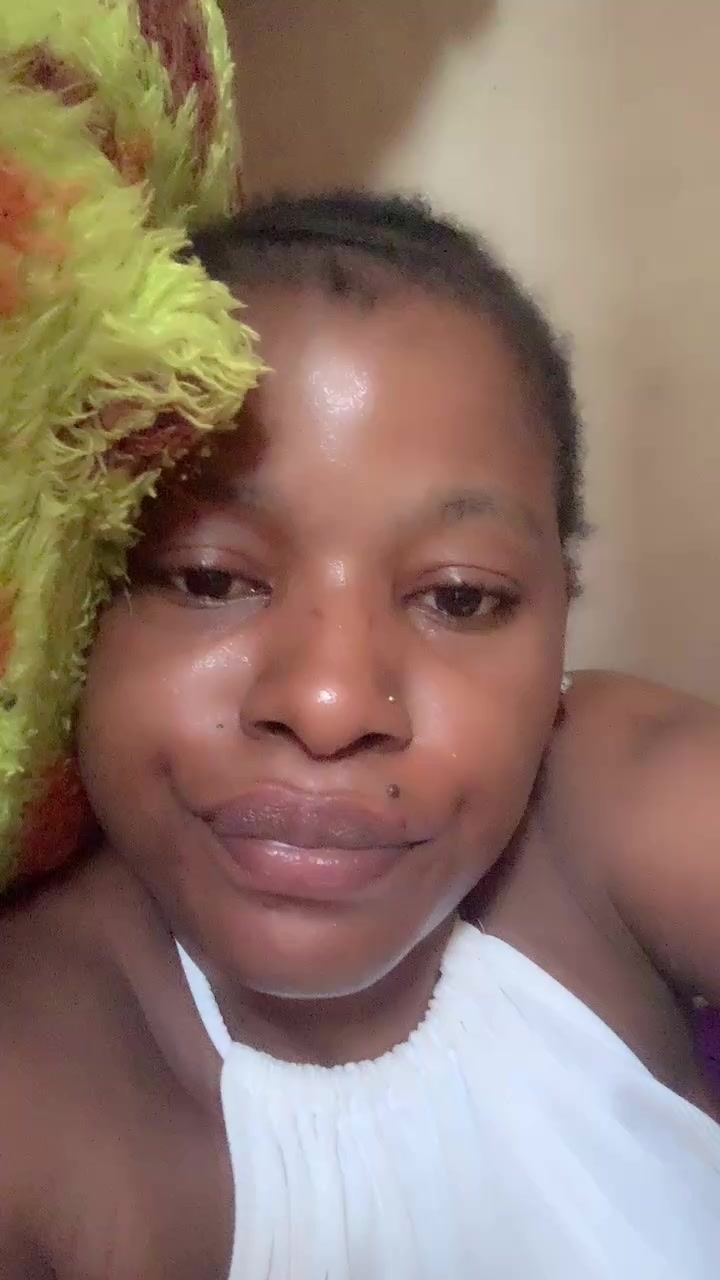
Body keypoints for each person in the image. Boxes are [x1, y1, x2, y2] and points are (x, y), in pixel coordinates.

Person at [2, 191, 720, 1279]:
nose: (330, 705)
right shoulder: (36, 1083)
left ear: (559, 626)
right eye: (209, 578)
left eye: (460, 597)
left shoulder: (603, 799)